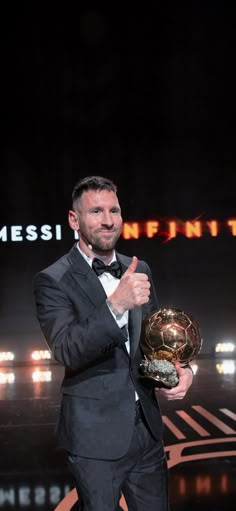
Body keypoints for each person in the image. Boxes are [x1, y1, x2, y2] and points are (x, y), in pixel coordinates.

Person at [33, 175, 193, 511]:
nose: (108, 220)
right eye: (96, 212)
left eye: (114, 210)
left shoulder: (139, 269)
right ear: (74, 219)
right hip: (94, 438)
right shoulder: (53, 280)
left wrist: (181, 370)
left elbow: (154, 345)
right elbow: (67, 349)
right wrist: (115, 305)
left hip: (147, 431)